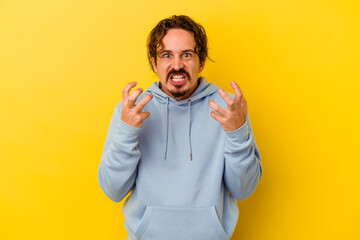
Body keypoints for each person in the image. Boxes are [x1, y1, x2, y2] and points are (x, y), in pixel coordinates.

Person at [98, 15, 262, 240]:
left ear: (201, 62)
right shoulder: (132, 109)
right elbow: (113, 189)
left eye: (187, 55)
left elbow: (244, 189)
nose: (177, 65)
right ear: (154, 63)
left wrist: (237, 133)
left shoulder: (229, 108)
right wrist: (127, 131)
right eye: (167, 55)